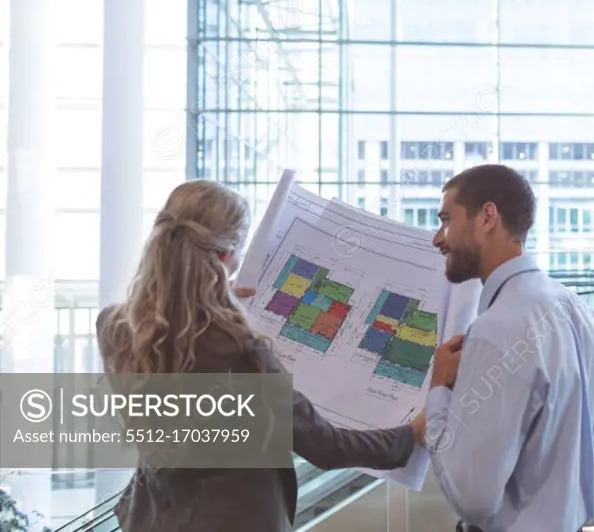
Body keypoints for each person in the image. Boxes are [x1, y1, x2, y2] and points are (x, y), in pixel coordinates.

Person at [96, 179, 425, 532]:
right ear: (226, 257)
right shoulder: (237, 347)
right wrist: (409, 435)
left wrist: (218, 304)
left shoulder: (115, 328)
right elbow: (324, 445)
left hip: (154, 520)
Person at [415, 164, 594, 532]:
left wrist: (440, 390)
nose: (438, 239)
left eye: (446, 220)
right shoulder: (582, 312)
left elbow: (473, 500)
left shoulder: (494, 332)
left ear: (487, 217)